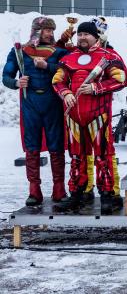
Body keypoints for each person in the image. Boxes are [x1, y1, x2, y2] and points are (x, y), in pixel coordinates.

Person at [52, 21, 127, 214]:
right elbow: (57, 80)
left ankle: (107, 195)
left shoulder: (107, 57)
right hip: (74, 118)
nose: (82, 37)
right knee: (77, 158)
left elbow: (122, 78)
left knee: (103, 157)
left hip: (98, 116)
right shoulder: (69, 58)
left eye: (86, 34)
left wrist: (97, 87)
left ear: (96, 37)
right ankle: (77, 195)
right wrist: (66, 93)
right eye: (80, 34)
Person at [2, 17, 68, 206]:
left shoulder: (59, 51)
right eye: (47, 30)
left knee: (56, 146)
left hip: (53, 103)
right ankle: (34, 190)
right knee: (32, 147)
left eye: (52, 30)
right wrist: (16, 83)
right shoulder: (19, 52)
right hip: (30, 104)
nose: (51, 33)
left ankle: (59, 188)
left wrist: (47, 66)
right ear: (37, 31)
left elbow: (68, 71)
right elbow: (6, 76)